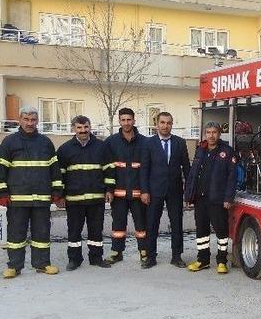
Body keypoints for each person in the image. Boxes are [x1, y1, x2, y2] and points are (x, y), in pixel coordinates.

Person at [0, 106, 63, 278]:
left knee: (42, 233)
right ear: (20, 120)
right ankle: (14, 266)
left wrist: (57, 191)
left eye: (33, 120)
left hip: (41, 197)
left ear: (37, 121)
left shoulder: (45, 142)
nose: (29, 123)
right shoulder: (9, 142)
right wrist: (1, 193)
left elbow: (54, 169)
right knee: (16, 234)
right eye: (26, 119)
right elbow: (0, 168)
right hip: (17, 198)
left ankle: (42, 264)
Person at [57, 115, 114, 271]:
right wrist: (59, 195)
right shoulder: (64, 149)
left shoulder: (102, 147)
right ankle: (74, 260)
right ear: (73, 129)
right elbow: (59, 175)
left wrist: (109, 190)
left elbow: (109, 170)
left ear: (90, 127)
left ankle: (96, 258)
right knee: (74, 231)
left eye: (86, 127)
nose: (83, 131)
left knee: (96, 230)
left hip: (96, 198)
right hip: (74, 199)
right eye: (79, 128)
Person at [184, 121, 237, 274]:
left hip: (218, 199)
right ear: (205, 134)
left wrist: (228, 198)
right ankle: (203, 260)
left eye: (214, 132)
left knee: (221, 232)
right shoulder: (200, 150)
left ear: (219, 134)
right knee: (201, 231)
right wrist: (189, 195)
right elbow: (193, 174)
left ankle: (221, 261)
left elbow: (232, 177)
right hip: (200, 198)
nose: (211, 135)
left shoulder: (227, 151)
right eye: (208, 132)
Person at [139, 112, 190, 269]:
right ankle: (151, 257)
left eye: (168, 123)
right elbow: (144, 169)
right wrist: (144, 191)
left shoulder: (180, 143)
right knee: (152, 224)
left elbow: (187, 169)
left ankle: (176, 256)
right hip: (154, 191)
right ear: (157, 124)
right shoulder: (148, 143)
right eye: (162, 122)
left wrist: (188, 192)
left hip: (175, 190)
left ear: (172, 124)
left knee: (177, 224)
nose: (165, 126)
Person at [104, 108, 148, 265]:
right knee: (118, 225)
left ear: (134, 121)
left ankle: (144, 251)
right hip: (118, 193)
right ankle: (117, 252)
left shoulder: (145, 142)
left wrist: (145, 191)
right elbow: (108, 168)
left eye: (129, 120)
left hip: (139, 193)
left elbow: (146, 169)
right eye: (123, 120)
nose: (126, 123)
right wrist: (108, 190)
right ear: (119, 121)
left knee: (142, 224)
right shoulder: (111, 142)